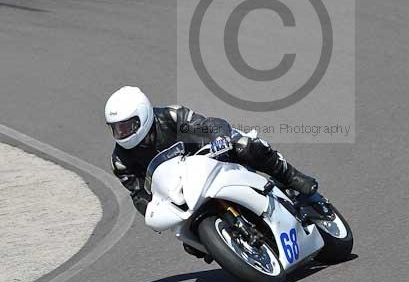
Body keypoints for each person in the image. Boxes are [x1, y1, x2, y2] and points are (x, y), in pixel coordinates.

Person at [105, 86, 318, 218]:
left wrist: (219, 138)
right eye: (116, 128)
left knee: (245, 146)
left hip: (214, 158)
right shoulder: (120, 161)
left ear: (143, 116)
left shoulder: (170, 117)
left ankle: (290, 175)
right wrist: (153, 212)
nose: (122, 133)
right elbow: (139, 195)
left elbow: (205, 126)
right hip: (182, 192)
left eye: (127, 126)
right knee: (188, 240)